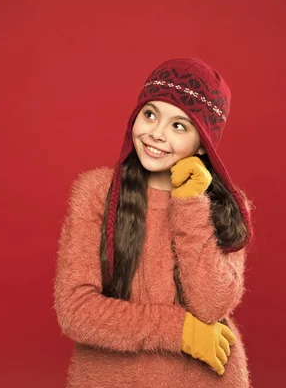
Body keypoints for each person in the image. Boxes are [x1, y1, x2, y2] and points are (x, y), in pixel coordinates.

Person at [54, 58, 254, 387]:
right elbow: (76, 310)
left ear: (203, 144)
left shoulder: (225, 207)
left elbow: (211, 305)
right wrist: (180, 332)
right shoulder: (96, 195)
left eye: (179, 125)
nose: (156, 134)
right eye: (150, 114)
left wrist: (191, 203)